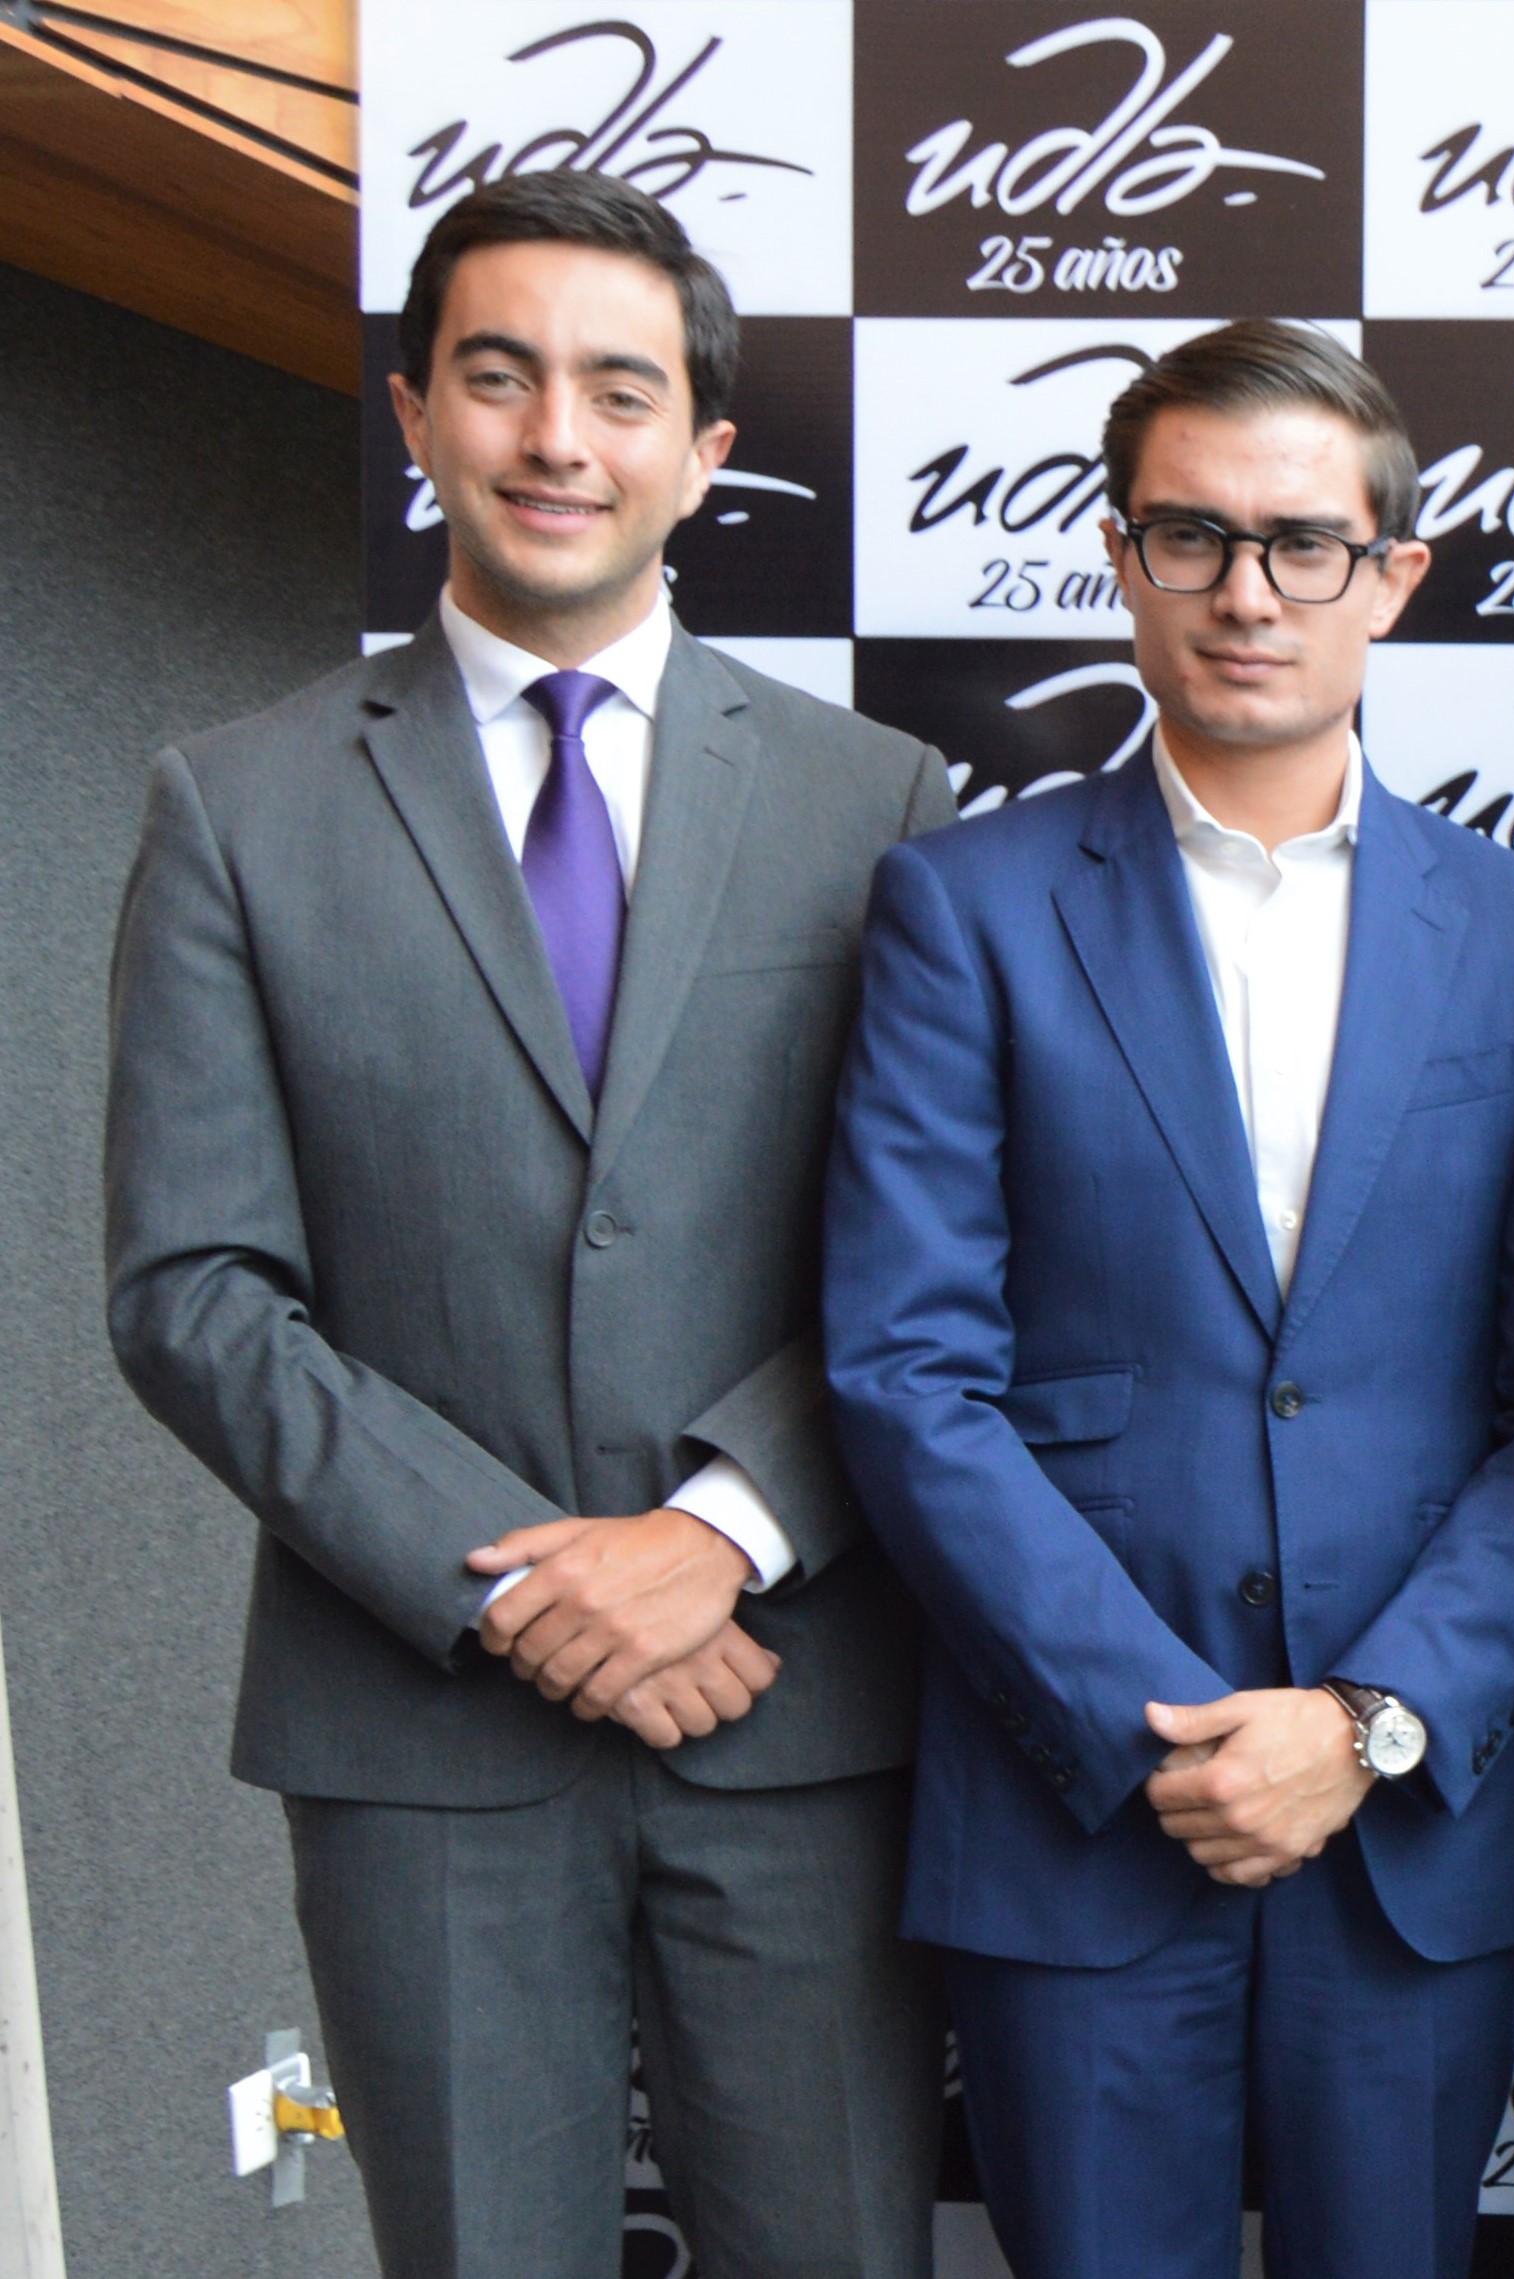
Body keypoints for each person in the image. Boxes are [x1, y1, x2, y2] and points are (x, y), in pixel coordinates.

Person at [100, 170, 951, 2274]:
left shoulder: (879, 803)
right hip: (419, 1727)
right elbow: (195, 1288)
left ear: (705, 449)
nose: (557, 437)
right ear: (413, 413)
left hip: (791, 1696)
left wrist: (715, 1538)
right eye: (498, 378)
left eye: (618, 390)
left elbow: (943, 1257)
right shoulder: (235, 804)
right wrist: (524, 1590)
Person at [822, 320, 1514, 2279]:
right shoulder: (964, 905)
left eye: (1303, 543)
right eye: (1192, 536)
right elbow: (908, 1370)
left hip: (1405, 1826)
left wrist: (1370, 1722)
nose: (1248, 592)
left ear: (1391, 577)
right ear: (1121, 559)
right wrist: (1161, 1729)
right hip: (1079, 1807)